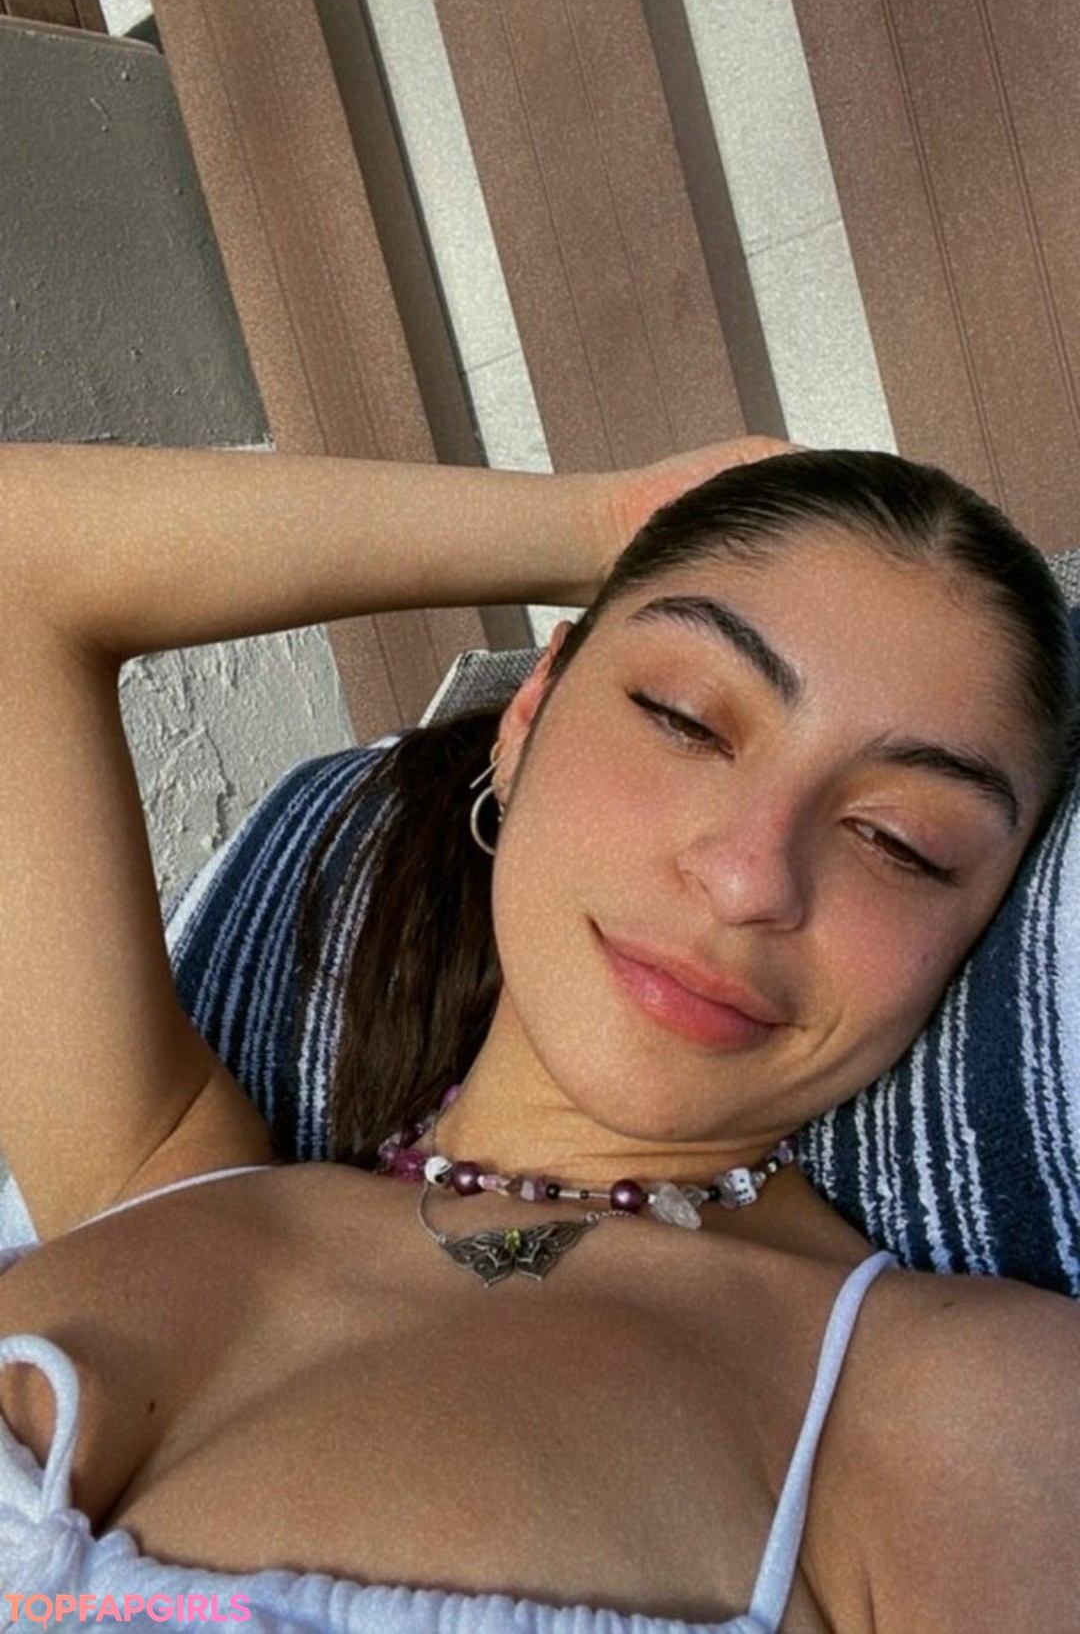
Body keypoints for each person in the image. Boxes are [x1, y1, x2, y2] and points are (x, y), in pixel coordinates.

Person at [0, 434, 1077, 1633]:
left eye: (899, 840)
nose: (747, 876)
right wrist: (607, 518)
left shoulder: (950, 1417)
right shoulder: (158, 1172)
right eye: (685, 717)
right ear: (524, 719)